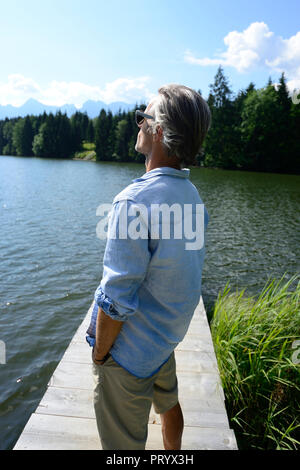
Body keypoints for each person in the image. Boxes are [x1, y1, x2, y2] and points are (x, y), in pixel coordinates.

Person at [86, 84, 211, 450]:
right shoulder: (193, 198)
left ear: (157, 130)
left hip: (129, 353)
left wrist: (100, 355)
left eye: (143, 115)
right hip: (164, 341)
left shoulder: (134, 201)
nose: (137, 122)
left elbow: (117, 300)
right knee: (170, 406)